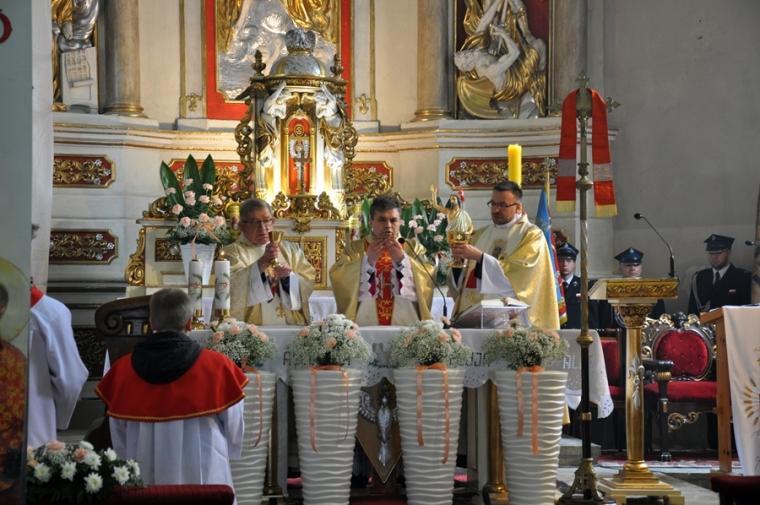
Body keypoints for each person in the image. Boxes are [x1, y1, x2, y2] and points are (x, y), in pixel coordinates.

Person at [96, 288, 247, 487]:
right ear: (189, 323)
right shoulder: (218, 367)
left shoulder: (123, 371)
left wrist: (126, 460)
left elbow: (118, 433)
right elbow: (234, 423)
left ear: (151, 322)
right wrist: (231, 450)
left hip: (143, 474)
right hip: (205, 475)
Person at [449, 181, 560, 329]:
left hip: (513, 322)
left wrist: (481, 258)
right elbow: (465, 282)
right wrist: (458, 265)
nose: (495, 210)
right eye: (493, 204)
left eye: (502, 205)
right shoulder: (480, 235)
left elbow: (522, 276)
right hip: (476, 320)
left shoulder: (531, 235)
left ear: (518, 207)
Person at [330, 195, 435, 326]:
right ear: (371, 222)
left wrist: (402, 260)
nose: (388, 226)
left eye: (393, 220)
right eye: (382, 220)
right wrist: (367, 262)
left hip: (405, 322)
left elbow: (428, 275)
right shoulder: (355, 248)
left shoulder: (413, 247)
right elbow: (338, 276)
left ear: (400, 222)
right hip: (365, 322)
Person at [225, 198, 315, 325]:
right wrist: (260, 264)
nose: (262, 228)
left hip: (289, 324)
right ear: (242, 225)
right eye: (255, 222)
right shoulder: (232, 252)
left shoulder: (291, 250)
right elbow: (229, 289)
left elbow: (308, 279)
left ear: (273, 222)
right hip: (251, 326)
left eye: (267, 220)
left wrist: (288, 278)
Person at [596, 247, 666, 329]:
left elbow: (660, 316)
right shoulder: (612, 288)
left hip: (647, 329)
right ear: (620, 268)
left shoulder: (652, 289)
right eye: (628, 265)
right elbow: (605, 319)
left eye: (636, 265)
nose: (632, 268)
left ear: (641, 267)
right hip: (619, 331)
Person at [688, 234, 751, 314]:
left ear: (729, 252)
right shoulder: (700, 277)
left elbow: (747, 309)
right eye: (711, 253)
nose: (714, 257)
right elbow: (692, 310)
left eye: (719, 253)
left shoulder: (743, 277)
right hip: (704, 321)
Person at [557, 243, 598, 329]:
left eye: (569, 261)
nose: (564, 264)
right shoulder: (553, 286)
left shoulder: (585, 285)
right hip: (556, 332)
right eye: (561, 260)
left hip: (578, 333)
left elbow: (592, 314)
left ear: (574, 263)